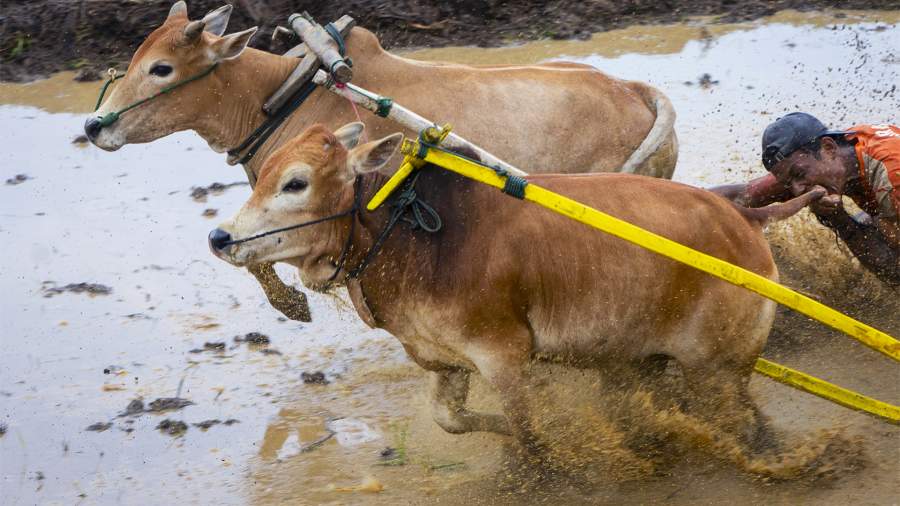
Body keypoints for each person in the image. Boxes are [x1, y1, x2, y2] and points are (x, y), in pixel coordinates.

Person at [711, 112, 899, 286]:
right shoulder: (820, 162)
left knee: (873, 224)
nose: (797, 189)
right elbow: (739, 196)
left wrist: (838, 219)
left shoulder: (891, 178)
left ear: (829, 148)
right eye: (787, 182)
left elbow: (894, 271)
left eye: (799, 174)